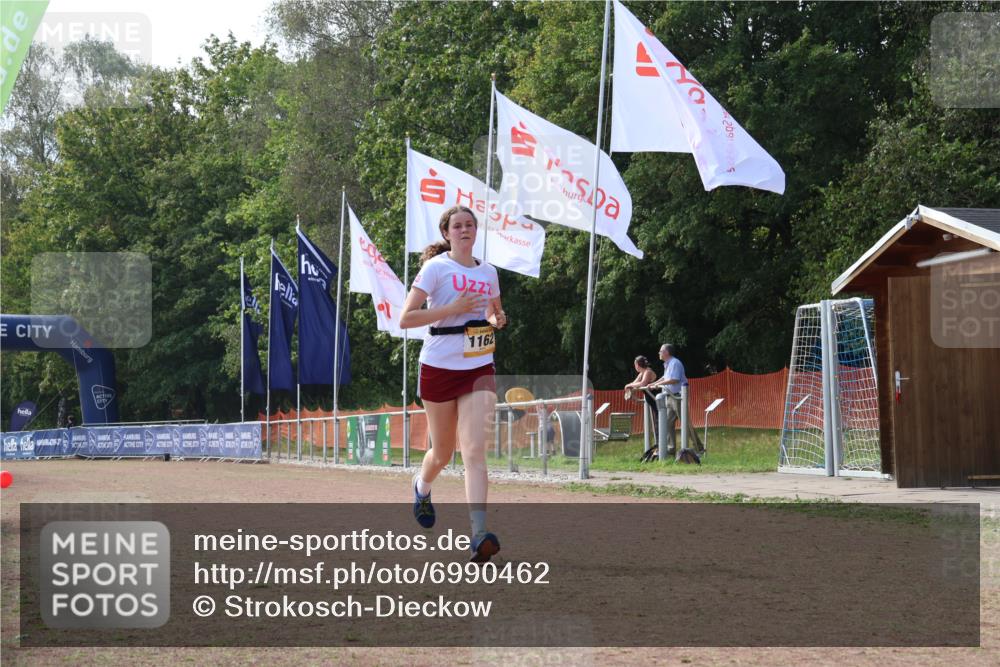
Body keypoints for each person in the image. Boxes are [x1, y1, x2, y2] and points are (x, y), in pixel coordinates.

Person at [399, 205, 507, 563]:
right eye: (457, 226)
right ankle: (422, 486)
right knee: (443, 453)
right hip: (439, 365)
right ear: (446, 233)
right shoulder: (436, 268)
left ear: (477, 231)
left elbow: (491, 310)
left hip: (479, 366)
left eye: (470, 225)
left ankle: (479, 535)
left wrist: (497, 317)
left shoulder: (489, 272)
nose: (464, 230)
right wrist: (452, 308)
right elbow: (406, 317)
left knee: (474, 451)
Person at [645, 343, 704, 456]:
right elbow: (665, 377)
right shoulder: (667, 364)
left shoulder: (675, 363)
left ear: (666, 352)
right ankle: (670, 449)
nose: (659, 353)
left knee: (685, 423)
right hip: (670, 396)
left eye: (660, 351)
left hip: (678, 397)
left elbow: (674, 380)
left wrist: (658, 385)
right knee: (666, 423)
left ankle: (699, 449)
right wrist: (654, 384)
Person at [624, 355, 659, 438]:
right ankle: (658, 445)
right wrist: (631, 394)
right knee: (655, 423)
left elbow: (642, 383)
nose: (634, 366)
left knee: (658, 422)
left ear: (637, 364)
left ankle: (660, 445)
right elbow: (634, 384)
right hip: (652, 401)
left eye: (635, 364)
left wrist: (628, 385)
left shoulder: (648, 371)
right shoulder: (641, 373)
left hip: (657, 400)